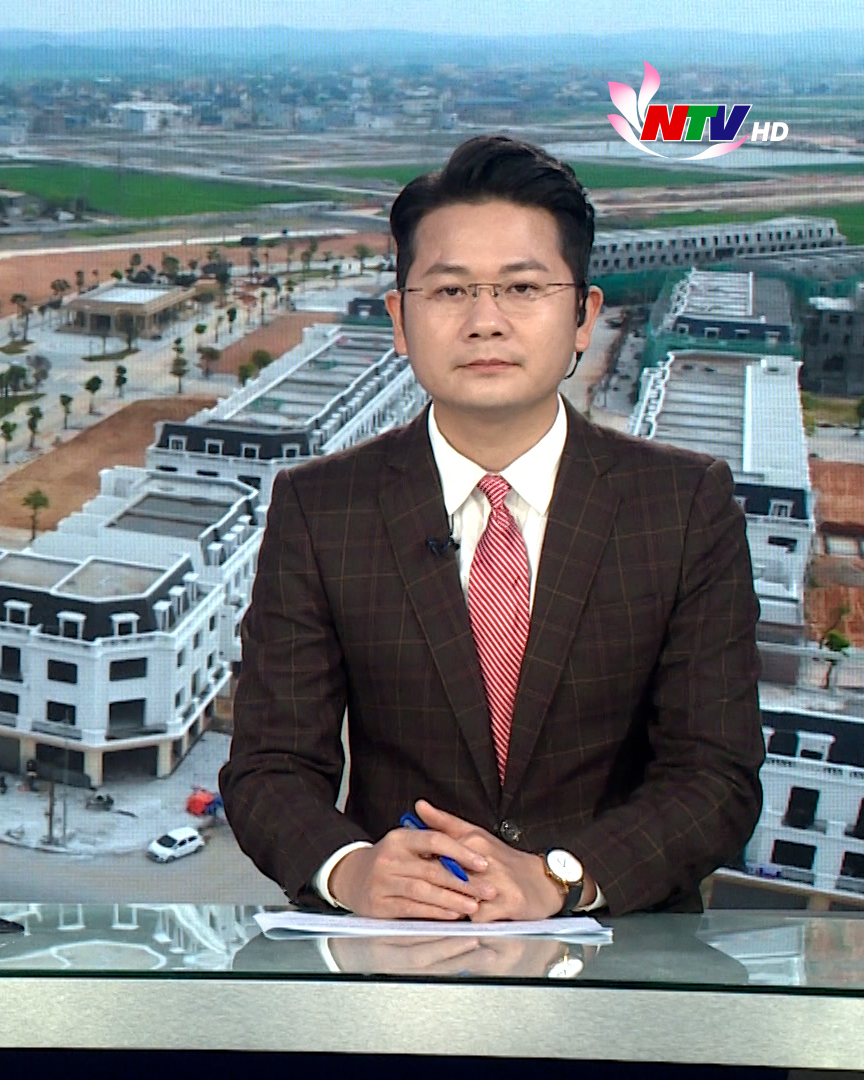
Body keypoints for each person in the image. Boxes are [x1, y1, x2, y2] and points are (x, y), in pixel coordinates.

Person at [220, 135, 764, 920]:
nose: (485, 322)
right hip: (398, 945)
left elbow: (716, 777)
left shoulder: (682, 506)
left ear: (583, 317)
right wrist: (352, 869)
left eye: (523, 288)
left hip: (616, 951)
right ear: (400, 320)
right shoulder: (320, 508)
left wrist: (560, 878)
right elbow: (269, 768)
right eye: (449, 291)